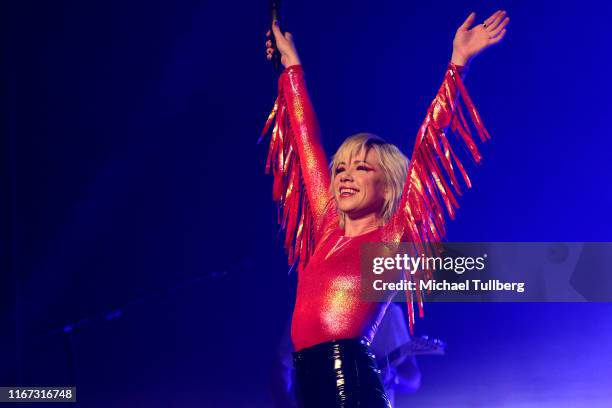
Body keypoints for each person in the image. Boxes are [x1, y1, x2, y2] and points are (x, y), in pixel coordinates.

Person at [261, 10, 509, 407]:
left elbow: (430, 146)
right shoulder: (325, 227)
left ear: (389, 184)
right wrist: (291, 68)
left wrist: (457, 64)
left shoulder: (390, 239)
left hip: (352, 384)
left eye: (361, 169)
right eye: (340, 168)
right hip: (308, 385)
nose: (344, 176)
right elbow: (305, 136)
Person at [270, 303, 421, 408]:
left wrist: (393, 377)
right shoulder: (310, 310)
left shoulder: (389, 312)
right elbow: (281, 369)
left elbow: (413, 380)